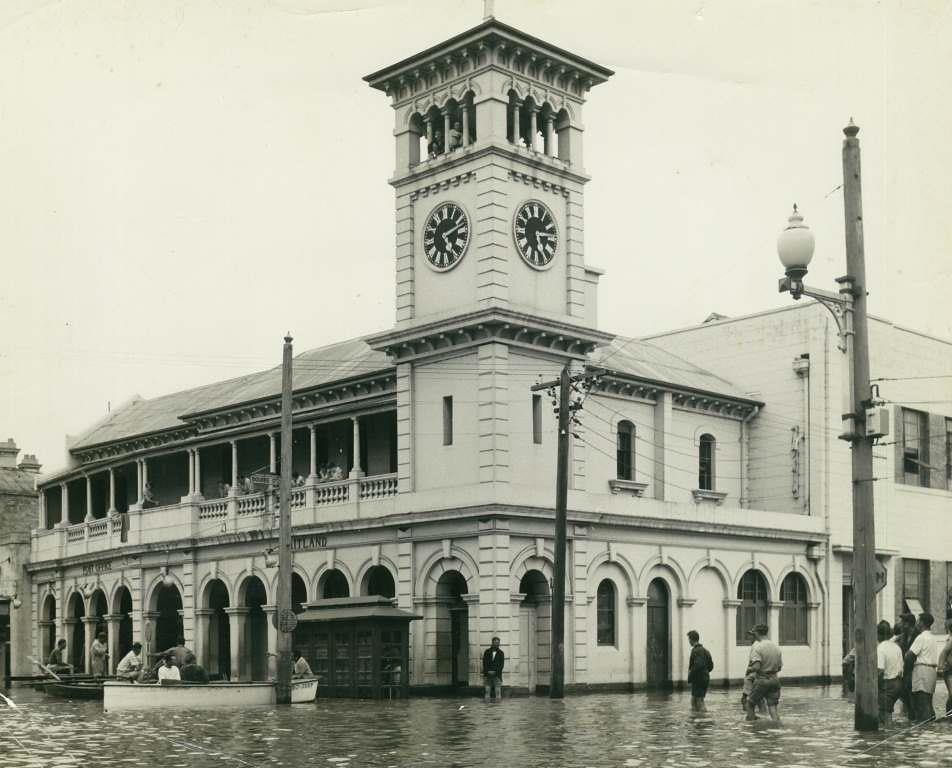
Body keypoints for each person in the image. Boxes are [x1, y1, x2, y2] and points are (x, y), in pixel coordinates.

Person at [906, 612, 939, 722]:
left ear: (922, 623)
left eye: (918, 620)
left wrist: (907, 669)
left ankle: (923, 726)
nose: (916, 623)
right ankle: (930, 725)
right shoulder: (933, 638)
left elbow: (909, 655)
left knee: (921, 701)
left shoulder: (921, 637)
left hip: (921, 670)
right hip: (932, 671)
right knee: (928, 701)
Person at [745, 624, 783, 722]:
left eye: (754, 633)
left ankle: (752, 729)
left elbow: (756, 667)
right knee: (772, 707)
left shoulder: (757, 648)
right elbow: (779, 668)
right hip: (775, 680)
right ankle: (777, 727)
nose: (753, 636)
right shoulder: (776, 647)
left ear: (757, 633)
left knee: (750, 704)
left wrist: (749, 669)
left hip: (762, 680)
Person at [876, 619, 903, 724]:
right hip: (898, 684)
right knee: (886, 713)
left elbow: (880, 670)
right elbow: (901, 668)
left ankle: (886, 735)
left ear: (879, 634)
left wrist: (874, 686)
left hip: (887, 684)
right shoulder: (896, 647)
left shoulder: (880, 648)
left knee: (884, 716)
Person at [686, 630, 714, 712]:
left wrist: (690, 676)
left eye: (689, 639)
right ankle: (697, 719)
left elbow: (698, 665)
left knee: (699, 701)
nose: (689, 642)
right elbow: (711, 666)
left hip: (698, 679)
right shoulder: (705, 650)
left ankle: (703, 719)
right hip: (704, 678)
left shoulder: (695, 651)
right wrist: (705, 673)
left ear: (691, 640)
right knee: (694, 700)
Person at [482, 636, 505, 702]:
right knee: (487, 691)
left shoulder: (501, 653)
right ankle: (487, 708)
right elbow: (484, 663)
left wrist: (494, 672)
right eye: (495, 642)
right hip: (487, 675)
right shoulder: (487, 652)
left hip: (497, 675)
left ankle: (497, 709)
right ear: (492, 643)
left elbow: (501, 665)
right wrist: (488, 671)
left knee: (498, 692)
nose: (497, 644)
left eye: (498, 643)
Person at [938, 618, 952, 719]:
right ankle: (949, 717)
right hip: (949, 671)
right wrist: (940, 667)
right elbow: (943, 653)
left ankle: (949, 716)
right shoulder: (951, 640)